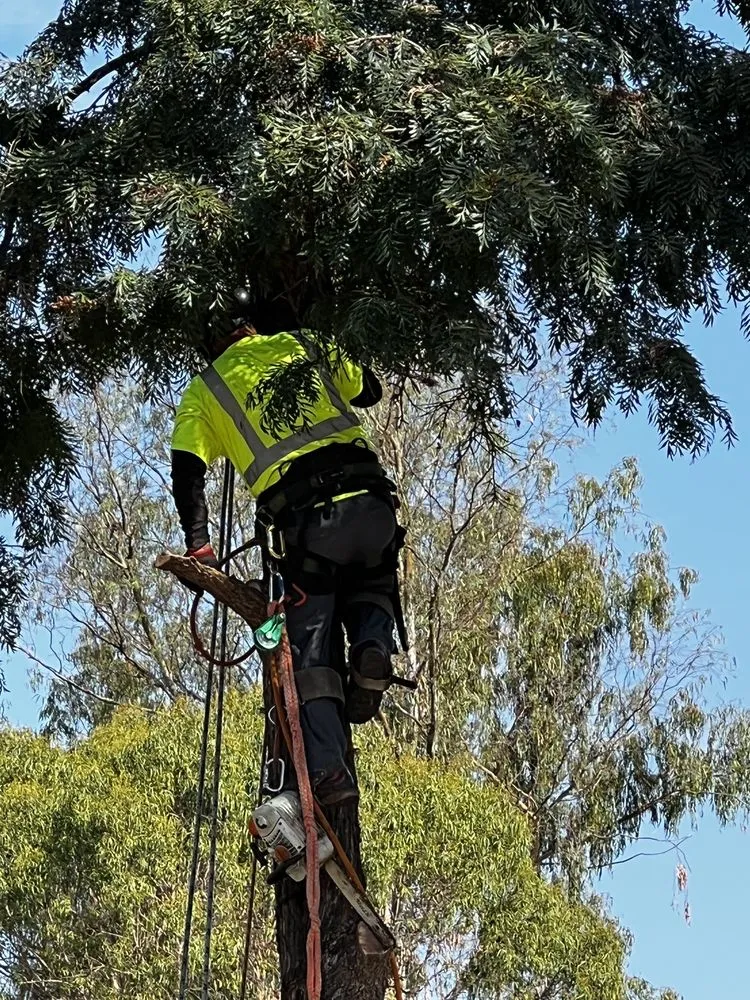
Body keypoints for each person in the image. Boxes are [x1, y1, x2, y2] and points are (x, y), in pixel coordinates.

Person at [170, 293, 407, 806]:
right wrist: (300, 336)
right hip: (372, 504)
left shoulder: (205, 390)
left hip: (308, 526)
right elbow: (369, 390)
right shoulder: (306, 343)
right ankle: (372, 647)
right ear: (252, 324)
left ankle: (329, 773)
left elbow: (188, 470)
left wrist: (200, 545)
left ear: (207, 343)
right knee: (372, 580)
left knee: (308, 651)